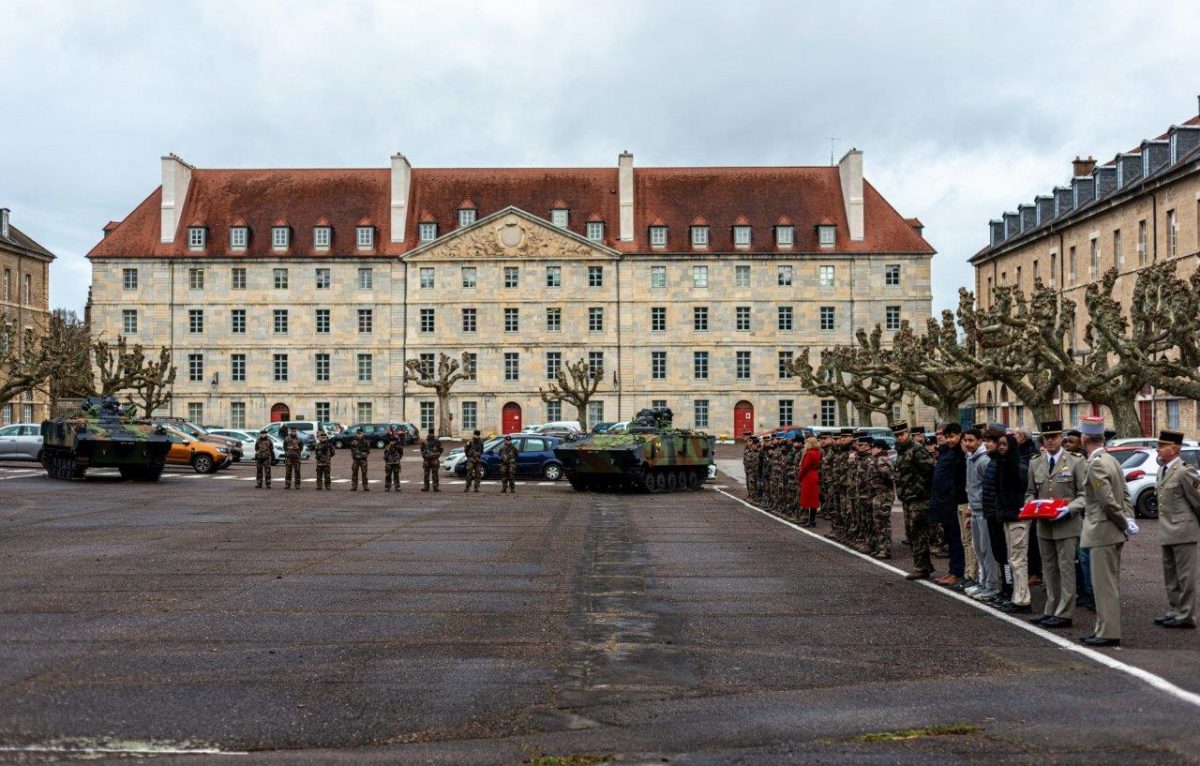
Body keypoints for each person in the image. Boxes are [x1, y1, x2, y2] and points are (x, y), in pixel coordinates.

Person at [1079, 415, 1136, 647]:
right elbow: (1125, 495)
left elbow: (1108, 501)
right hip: (1112, 530)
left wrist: (1124, 522)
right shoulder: (1111, 460)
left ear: (1084, 438)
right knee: (1106, 584)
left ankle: (1108, 632)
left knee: (1104, 586)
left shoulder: (1097, 463)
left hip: (1102, 531)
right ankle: (1103, 628)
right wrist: (1128, 520)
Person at [1027, 420, 1086, 629]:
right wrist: (1029, 507)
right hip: (1044, 525)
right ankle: (1051, 608)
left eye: (1054, 437)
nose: (1050, 441)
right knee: (1049, 568)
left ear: (1062, 438)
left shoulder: (1076, 461)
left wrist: (1068, 508)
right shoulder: (1036, 462)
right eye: (1046, 437)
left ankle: (1065, 612)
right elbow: (1030, 492)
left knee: (1066, 568)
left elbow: (1084, 495)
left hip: (1066, 524)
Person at [1151, 429, 1200, 629]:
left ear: (1174, 449)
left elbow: (1197, 502)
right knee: (1170, 575)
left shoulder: (1184, 471)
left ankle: (1186, 615)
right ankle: (1174, 610)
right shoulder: (1162, 470)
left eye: (1162, 446)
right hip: (1167, 530)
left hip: (1183, 531)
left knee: (1185, 576)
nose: (1158, 450)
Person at [894, 422, 935, 579]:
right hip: (908, 499)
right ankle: (924, 565)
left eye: (902, 434)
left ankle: (921, 568)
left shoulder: (917, 450)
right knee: (913, 533)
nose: (900, 437)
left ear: (908, 433)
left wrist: (916, 490)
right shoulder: (902, 451)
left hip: (919, 498)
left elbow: (930, 471)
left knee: (918, 532)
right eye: (897, 436)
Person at [963, 427, 1000, 599]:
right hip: (976, 510)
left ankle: (992, 585)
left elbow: (989, 487)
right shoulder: (970, 458)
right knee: (978, 548)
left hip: (985, 511)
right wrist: (971, 508)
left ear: (979, 441)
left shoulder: (984, 460)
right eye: (966, 440)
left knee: (988, 550)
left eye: (971, 440)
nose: (967, 443)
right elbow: (972, 486)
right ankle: (983, 582)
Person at [929, 424, 968, 586]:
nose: (949, 440)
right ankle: (953, 570)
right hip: (944, 503)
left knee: (957, 540)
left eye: (952, 436)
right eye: (947, 437)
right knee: (951, 540)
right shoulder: (947, 452)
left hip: (955, 503)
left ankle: (958, 572)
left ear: (959, 435)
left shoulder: (960, 455)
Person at [868, 438, 896, 558]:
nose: (872, 449)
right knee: (878, 523)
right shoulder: (877, 459)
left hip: (884, 495)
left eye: (873, 447)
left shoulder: (882, 459)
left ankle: (886, 549)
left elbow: (890, 476)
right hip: (878, 494)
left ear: (879, 448)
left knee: (883, 523)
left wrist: (879, 467)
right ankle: (880, 548)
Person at [797, 435, 821, 528]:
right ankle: (812, 519)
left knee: (808, 498)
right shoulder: (817, 452)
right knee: (814, 499)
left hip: (808, 476)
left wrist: (799, 477)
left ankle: (810, 520)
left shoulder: (809, 453)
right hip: (814, 474)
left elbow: (805, 467)